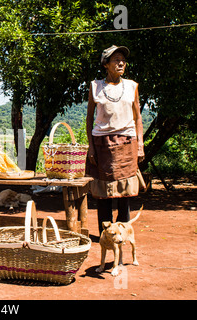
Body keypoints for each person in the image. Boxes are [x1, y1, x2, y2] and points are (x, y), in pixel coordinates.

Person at [86, 45, 145, 236]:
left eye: (123, 60)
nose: (121, 63)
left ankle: (122, 233)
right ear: (106, 64)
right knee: (103, 193)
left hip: (127, 143)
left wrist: (140, 145)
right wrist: (91, 148)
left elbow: (137, 118)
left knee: (124, 192)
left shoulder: (132, 86)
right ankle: (106, 234)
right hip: (102, 144)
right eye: (116, 60)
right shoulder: (96, 86)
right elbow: (89, 119)